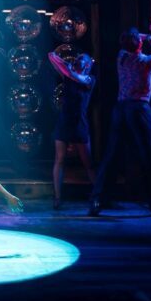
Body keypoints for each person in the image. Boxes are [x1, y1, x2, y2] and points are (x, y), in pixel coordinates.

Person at [89, 22, 151, 217]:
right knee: (147, 157)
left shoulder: (121, 57)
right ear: (139, 43)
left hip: (120, 109)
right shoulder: (146, 62)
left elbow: (130, 41)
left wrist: (145, 37)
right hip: (138, 110)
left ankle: (97, 200)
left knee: (111, 155)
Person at [47, 51, 97, 210]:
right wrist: (61, 61)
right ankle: (57, 197)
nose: (78, 60)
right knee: (59, 159)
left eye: (82, 58)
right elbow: (50, 56)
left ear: (88, 64)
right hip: (65, 122)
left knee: (88, 163)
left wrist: (68, 70)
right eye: (78, 58)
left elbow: (76, 77)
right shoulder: (68, 75)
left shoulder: (89, 79)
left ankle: (97, 196)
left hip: (79, 123)